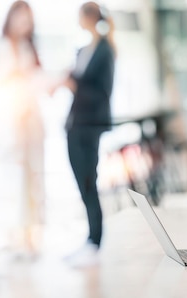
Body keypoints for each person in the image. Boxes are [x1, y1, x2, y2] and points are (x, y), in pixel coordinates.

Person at [0, 0, 45, 257]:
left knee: (34, 179)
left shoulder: (30, 48)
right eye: (20, 18)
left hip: (32, 122)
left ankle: (31, 237)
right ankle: (14, 236)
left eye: (28, 20)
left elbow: (38, 80)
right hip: (8, 124)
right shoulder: (0, 48)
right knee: (11, 181)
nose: (24, 24)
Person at [63, 1, 115, 267]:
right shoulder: (83, 49)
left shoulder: (105, 50)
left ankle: (95, 240)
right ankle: (90, 239)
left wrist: (74, 85)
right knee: (82, 181)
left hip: (90, 124)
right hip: (75, 123)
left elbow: (102, 91)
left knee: (88, 181)